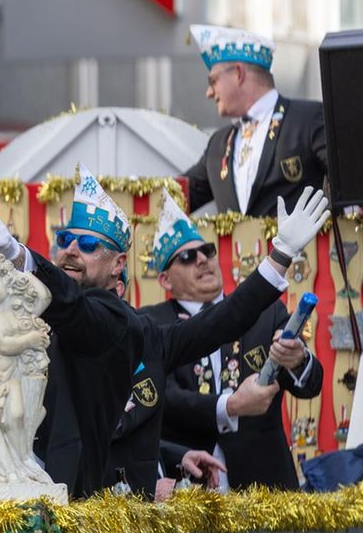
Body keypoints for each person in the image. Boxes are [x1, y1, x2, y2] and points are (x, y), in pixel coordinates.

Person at [0, 146, 330, 496]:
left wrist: (280, 253)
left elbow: (223, 320)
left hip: (108, 519)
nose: (70, 251)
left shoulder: (124, 323)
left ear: (119, 265)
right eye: (65, 240)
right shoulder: (36, 312)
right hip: (38, 498)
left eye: (88, 244)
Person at [106, 193, 312, 495]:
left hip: (265, 485)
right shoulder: (150, 322)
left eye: (207, 251)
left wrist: (299, 360)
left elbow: (310, 384)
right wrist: (230, 406)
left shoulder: (265, 312)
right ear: (165, 281)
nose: (202, 259)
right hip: (187, 486)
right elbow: (162, 395)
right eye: (187, 257)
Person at [183, 24, 327, 216]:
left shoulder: (306, 119)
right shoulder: (218, 144)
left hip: (300, 247)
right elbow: (176, 195)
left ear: (238, 74)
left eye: (213, 81)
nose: (209, 92)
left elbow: (349, 184)